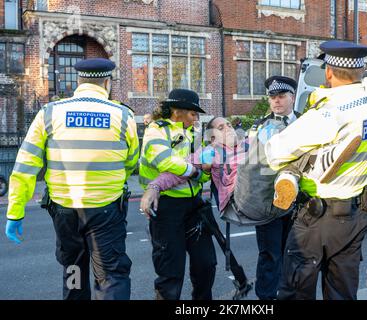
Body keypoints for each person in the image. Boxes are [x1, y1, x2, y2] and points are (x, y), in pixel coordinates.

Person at [5, 58, 140, 300]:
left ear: (79, 81)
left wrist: (15, 210)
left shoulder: (49, 113)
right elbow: (131, 162)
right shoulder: (123, 115)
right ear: (107, 82)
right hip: (106, 209)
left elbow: (26, 165)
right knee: (111, 276)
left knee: (74, 270)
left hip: (65, 211)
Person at [265, 40, 367, 300]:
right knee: (342, 292)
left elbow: (274, 152)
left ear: (329, 71)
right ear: (360, 71)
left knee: (296, 292)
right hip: (354, 214)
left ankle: (306, 164)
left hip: (317, 218)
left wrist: (303, 156)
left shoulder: (329, 112)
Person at [139, 88, 216, 300]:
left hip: (195, 205)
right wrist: (194, 170)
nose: (196, 119)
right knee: (170, 272)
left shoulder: (193, 133)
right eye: (193, 114)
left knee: (206, 265)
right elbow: (164, 161)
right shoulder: (157, 129)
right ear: (177, 111)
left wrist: (202, 173)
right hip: (167, 208)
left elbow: (203, 176)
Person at [250, 75, 301, 300]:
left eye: (281, 96)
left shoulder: (305, 123)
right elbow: (251, 165)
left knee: (294, 253)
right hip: (269, 202)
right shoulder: (259, 127)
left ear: (292, 97)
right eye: (272, 97)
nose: (276, 101)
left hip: (300, 201)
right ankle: (266, 299)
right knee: (269, 254)